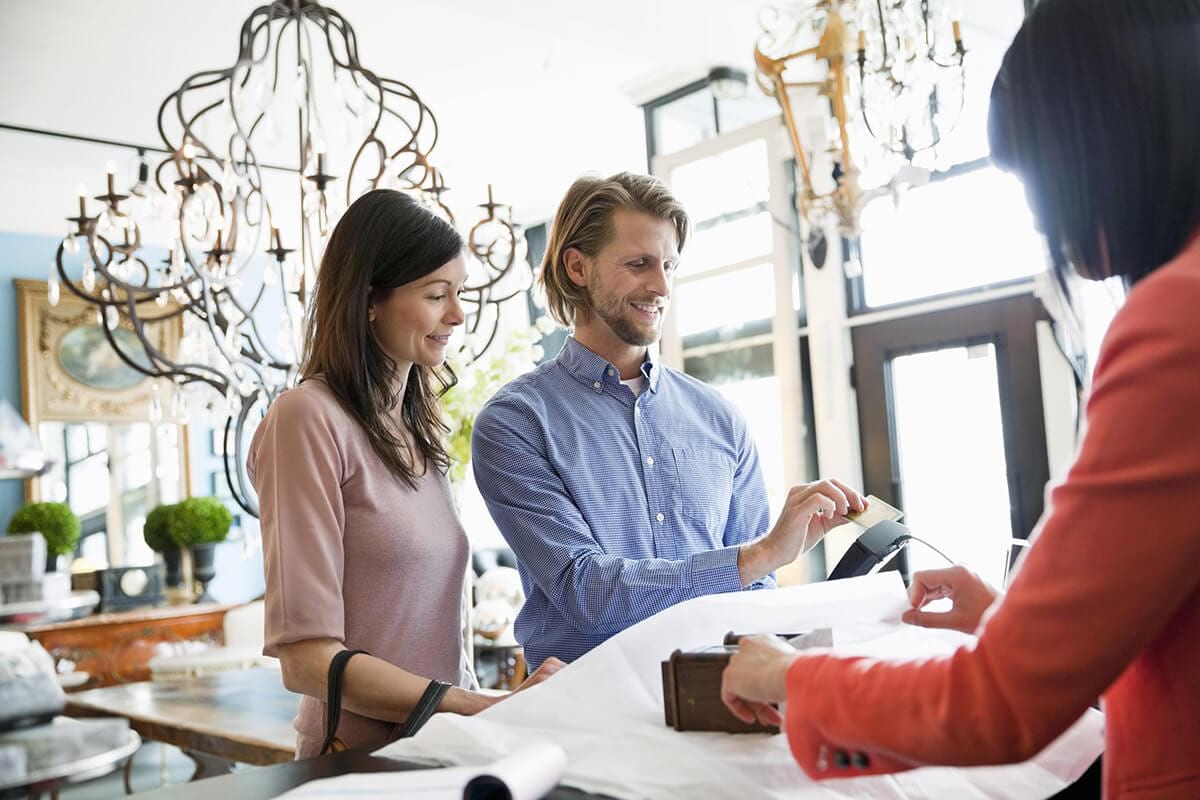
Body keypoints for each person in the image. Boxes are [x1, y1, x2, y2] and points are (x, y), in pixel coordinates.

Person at [720, 1, 1200, 796]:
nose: (1053, 225)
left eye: (1040, 182)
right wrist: (1020, 621)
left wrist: (795, 677)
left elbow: (1000, 701)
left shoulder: (1174, 321)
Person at [471, 172, 865, 670]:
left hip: (722, 707)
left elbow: (753, 590)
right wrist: (761, 554)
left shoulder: (720, 418)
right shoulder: (515, 423)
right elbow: (586, 591)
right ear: (577, 267)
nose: (660, 286)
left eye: (669, 266)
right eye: (638, 264)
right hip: (588, 719)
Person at [249, 189, 561, 758]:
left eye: (458, 293)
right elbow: (305, 660)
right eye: (437, 294)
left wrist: (483, 707)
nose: (457, 314)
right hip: (357, 762)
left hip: (442, 748)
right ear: (371, 300)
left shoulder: (420, 428)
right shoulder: (306, 418)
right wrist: (478, 705)